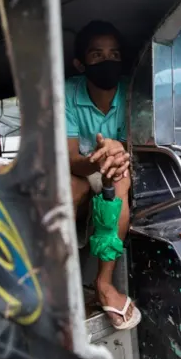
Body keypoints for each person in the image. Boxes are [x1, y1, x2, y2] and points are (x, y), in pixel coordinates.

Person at [64, 21, 139, 330]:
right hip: (81, 167)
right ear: (81, 64)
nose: (107, 61)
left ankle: (104, 283)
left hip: (119, 165)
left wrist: (116, 153)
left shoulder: (132, 91)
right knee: (68, 193)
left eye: (114, 54)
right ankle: (59, 284)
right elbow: (70, 158)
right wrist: (99, 158)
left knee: (120, 180)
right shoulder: (68, 92)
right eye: (97, 55)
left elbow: (134, 145)